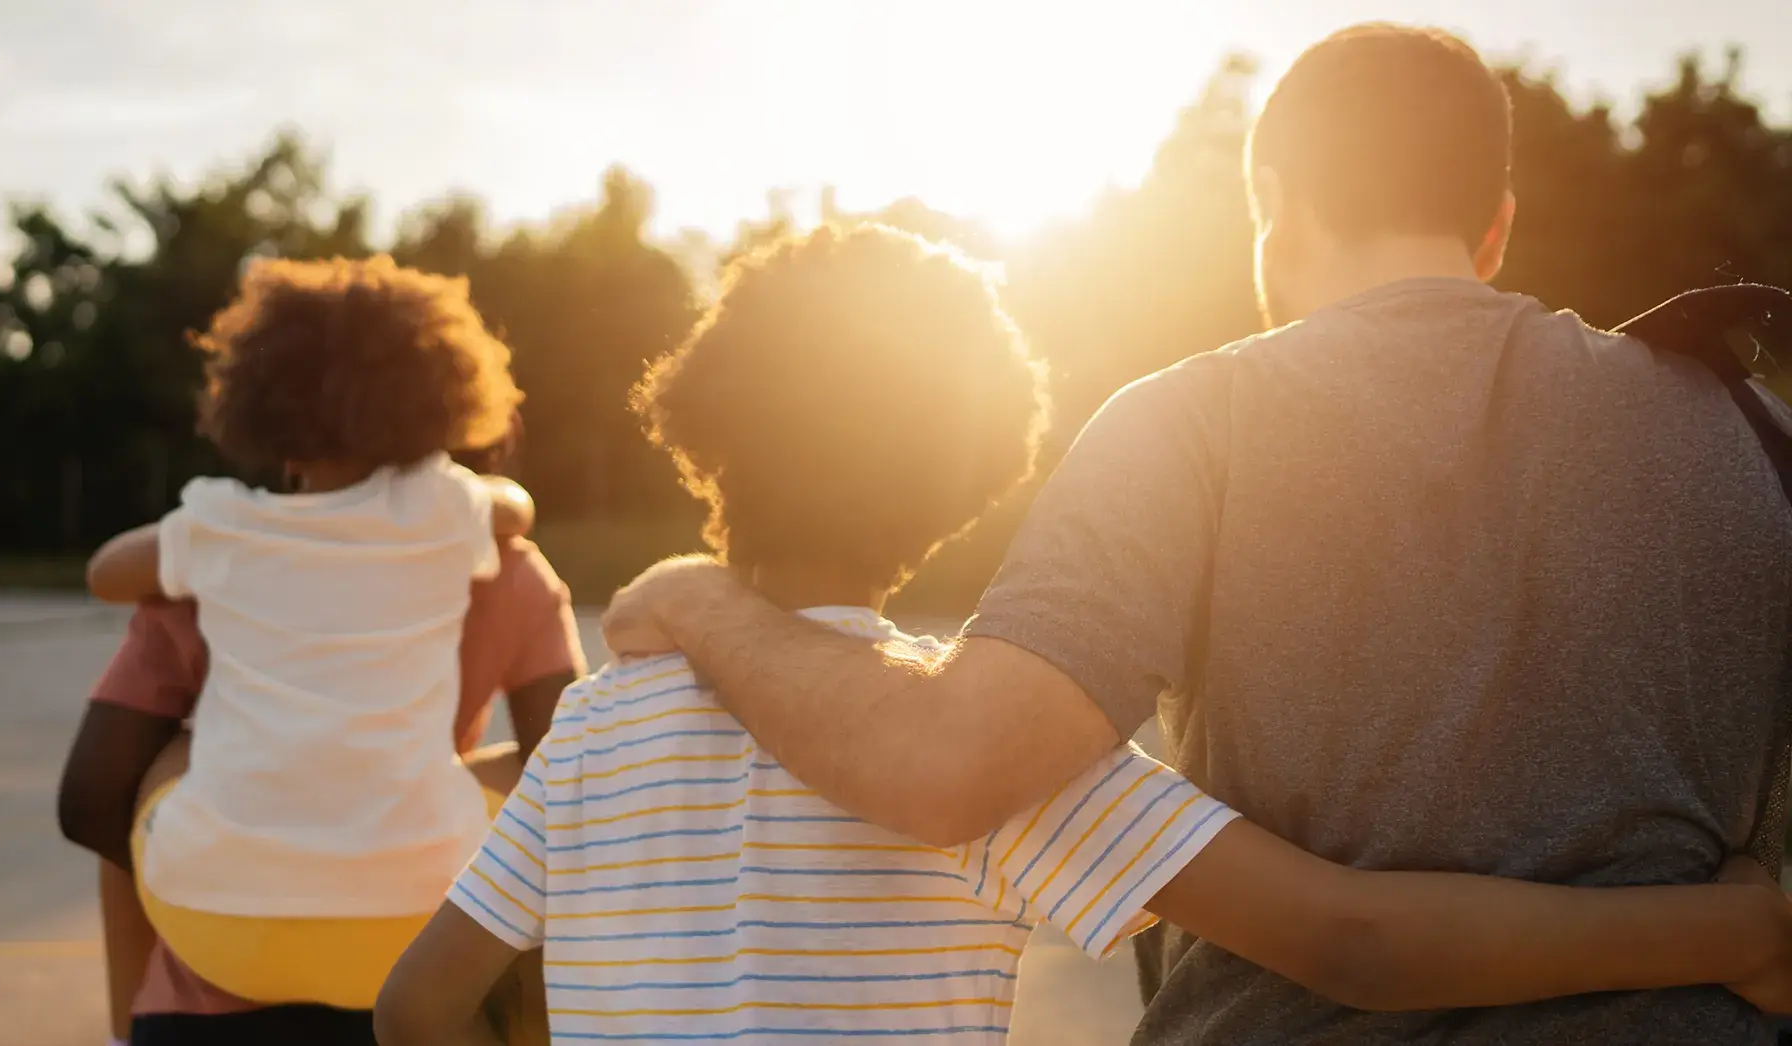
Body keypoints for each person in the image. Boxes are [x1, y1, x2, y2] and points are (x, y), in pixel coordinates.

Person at [597, 24, 1792, 1044]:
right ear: (1497, 228)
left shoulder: (1196, 419)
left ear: (1270, 204)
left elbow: (944, 766)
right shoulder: (1748, 422)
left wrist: (694, 596)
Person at [372, 222, 1792, 1046]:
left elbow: (420, 1003)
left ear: (706, 437)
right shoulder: (988, 752)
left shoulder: (600, 727)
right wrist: (1732, 922)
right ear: (966, 481)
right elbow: (1356, 941)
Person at [71, 255, 546, 1023]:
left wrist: (203, 539)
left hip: (216, 923)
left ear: (263, 416)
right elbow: (515, 508)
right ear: (443, 410)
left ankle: (126, 1030)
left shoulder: (224, 532)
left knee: (169, 758)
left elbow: (104, 574)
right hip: (418, 929)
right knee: (547, 792)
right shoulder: (460, 521)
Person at [57, 453, 585, 1043]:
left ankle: (124, 1033)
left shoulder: (214, 552)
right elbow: (572, 777)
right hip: (426, 947)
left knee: (153, 780)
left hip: (218, 953)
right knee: (560, 781)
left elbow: (90, 800)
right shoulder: (499, 561)